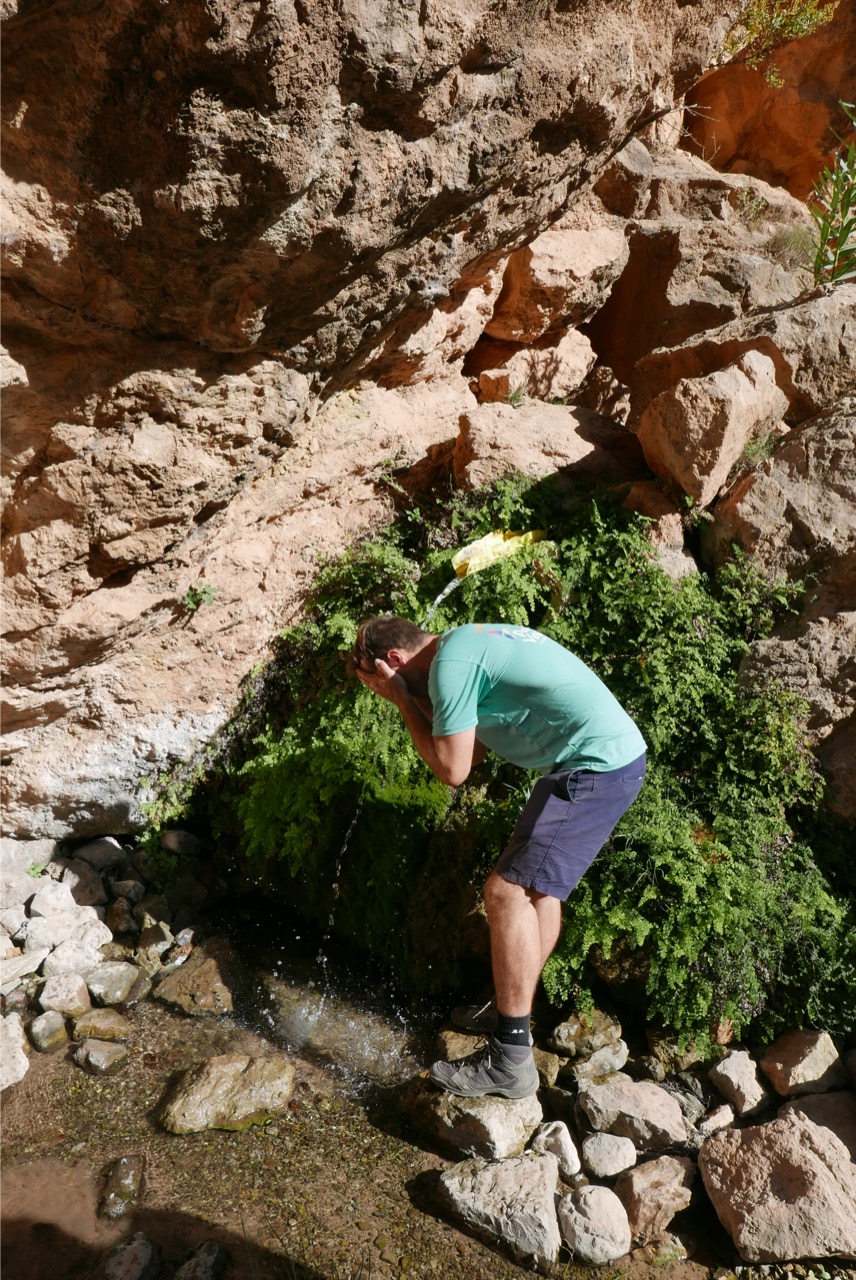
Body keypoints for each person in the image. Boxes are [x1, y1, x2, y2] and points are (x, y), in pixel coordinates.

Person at [350, 615, 647, 1099]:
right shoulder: (463, 647)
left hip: (595, 766)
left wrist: (402, 698)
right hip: (602, 760)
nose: (377, 689)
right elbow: (478, 750)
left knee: (505, 893)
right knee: (538, 894)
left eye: (375, 678)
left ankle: (510, 1059)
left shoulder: (451, 665)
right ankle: (513, 1004)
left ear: (395, 662)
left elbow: (454, 770)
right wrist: (414, 695)